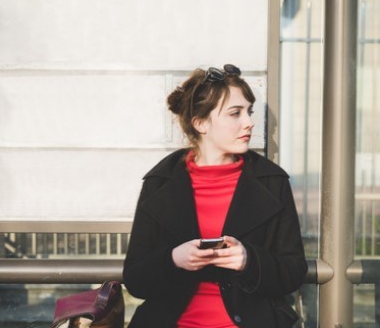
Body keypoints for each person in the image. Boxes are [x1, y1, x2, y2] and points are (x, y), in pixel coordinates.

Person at [123, 64, 308, 328]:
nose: (249, 122)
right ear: (201, 124)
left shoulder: (271, 181)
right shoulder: (160, 182)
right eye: (235, 113)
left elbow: (293, 271)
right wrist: (173, 259)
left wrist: (250, 261)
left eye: (249, 111)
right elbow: (135, 279)